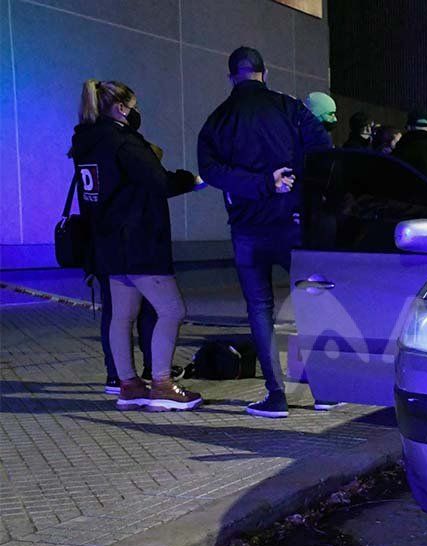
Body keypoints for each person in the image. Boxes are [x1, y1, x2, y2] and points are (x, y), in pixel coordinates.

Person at [197, 46, 332, 418]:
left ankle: (276, 395)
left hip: (247, 228)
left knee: (259, 308)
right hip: (292, 222)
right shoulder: (289, 108)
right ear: (265, 72)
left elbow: (210, 170)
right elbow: (322, 149)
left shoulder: (218, 119)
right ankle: (324, 390)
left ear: (230, 77)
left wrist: (259, 183)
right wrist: (291, 180)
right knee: (311, 303)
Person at [71, 79, 202, 411]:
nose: (135, 112)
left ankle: (128, 385)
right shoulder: (124, 142)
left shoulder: (85, 143)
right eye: (132, 106)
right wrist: (190, 181)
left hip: (107, 243)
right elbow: (158, 182)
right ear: (120, 108)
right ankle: (162, 384)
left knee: (121, 316)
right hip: (139, 241)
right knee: (172, 310)